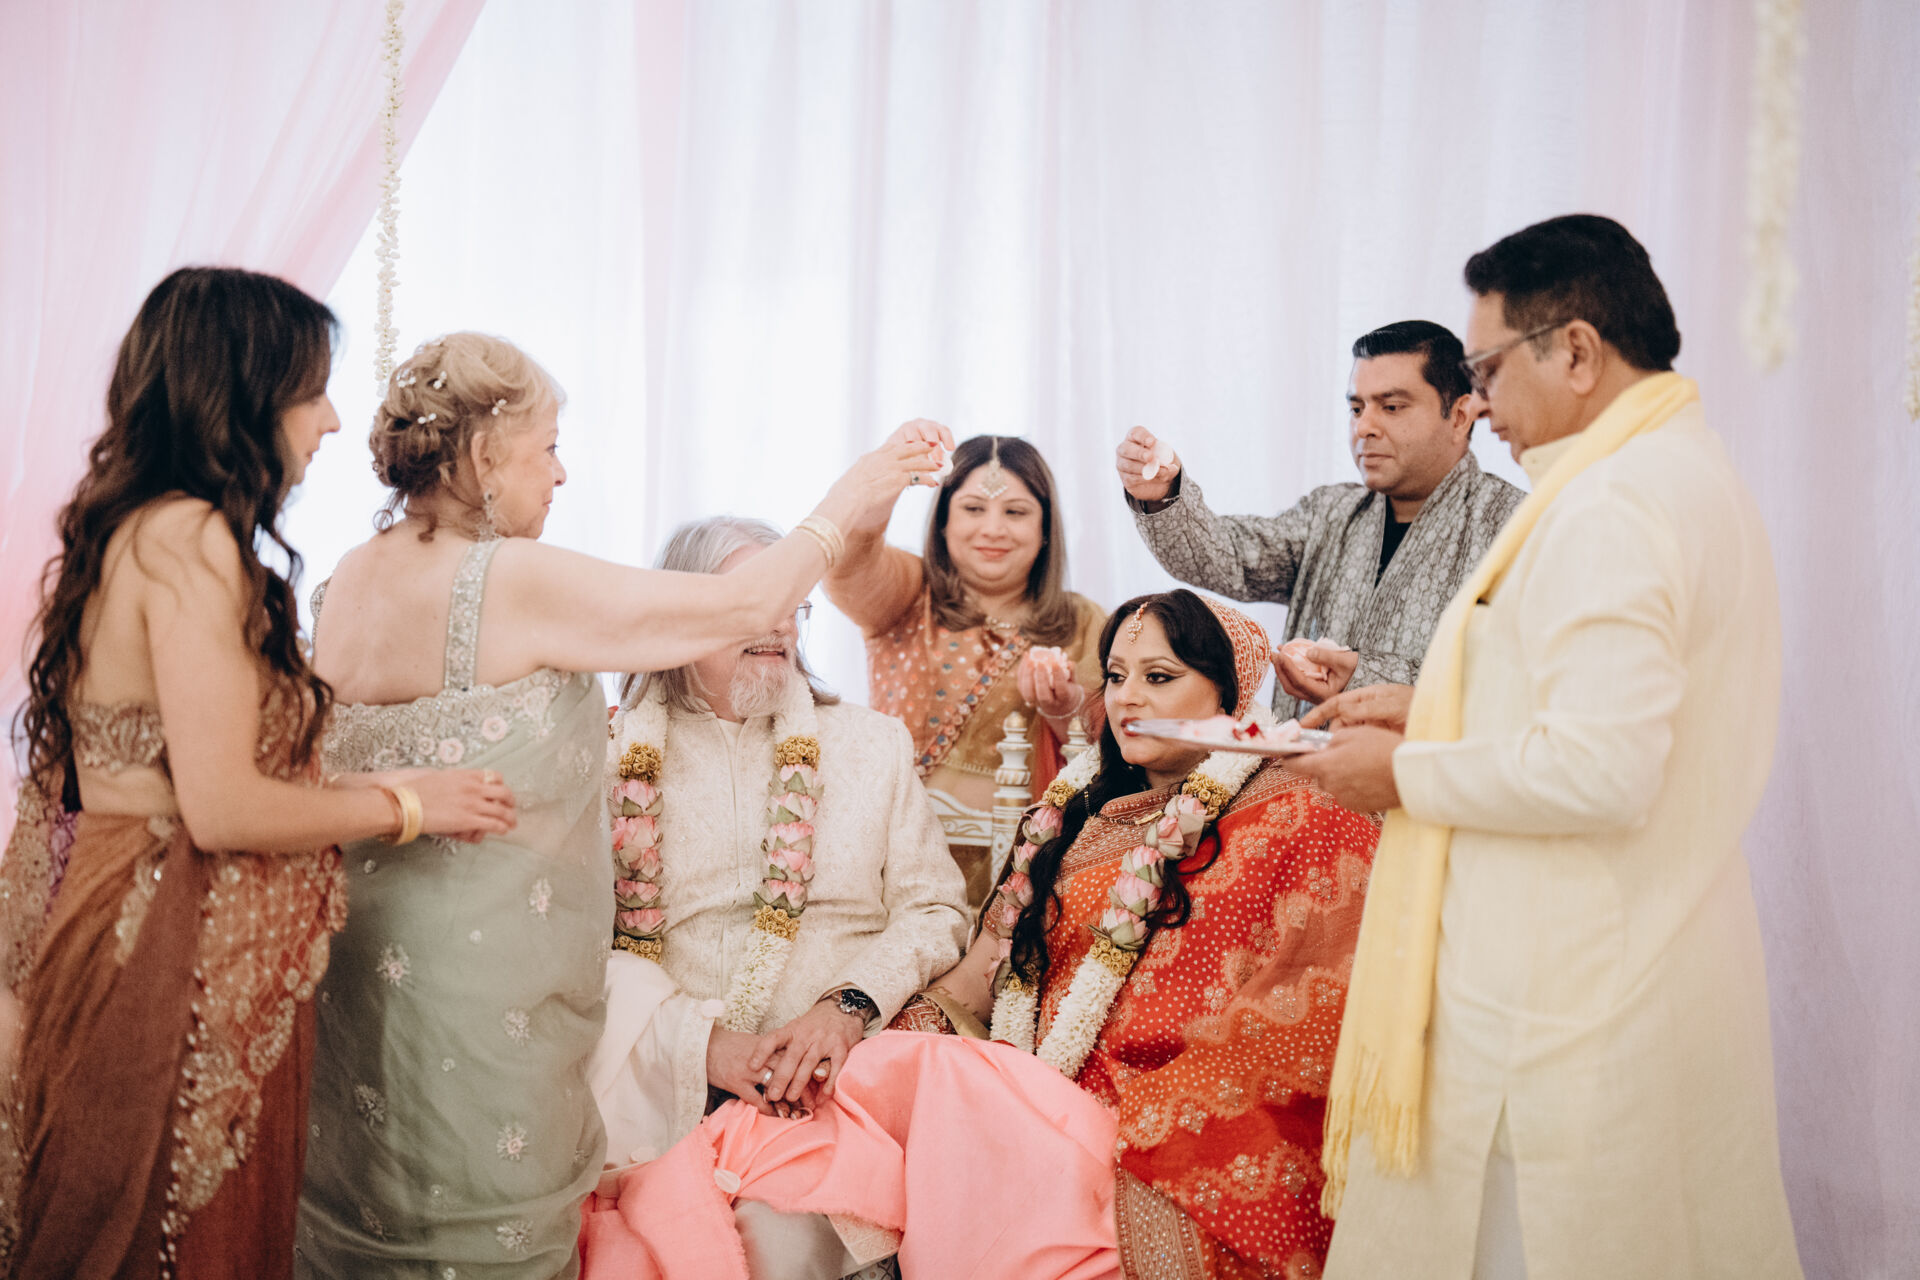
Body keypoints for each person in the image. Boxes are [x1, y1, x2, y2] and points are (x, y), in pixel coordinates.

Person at [296, 334, 935, 1278]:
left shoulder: (352, 576)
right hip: (482, 987)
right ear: (485, 456)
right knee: (481, 1233)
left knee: (379, 1221)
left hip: (362, 962)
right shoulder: (506, 574)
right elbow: (743, 604)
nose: (561, 473)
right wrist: (864, 487)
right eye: (548, 447)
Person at [579, 590, 1383, 1280]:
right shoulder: (1075, 819)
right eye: (1116, 677)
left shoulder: (1303, 810)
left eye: (1160, 677)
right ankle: (694, 1211)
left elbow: (1315, 1012)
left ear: (1232, 694)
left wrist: (1140, 1109)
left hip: (1162, 1117)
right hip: (1032, 1088)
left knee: (891, 1098)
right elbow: (982, 972)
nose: (1129, 698)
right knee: (840, 1110)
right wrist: (858, 1031)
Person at [1294, 215, 1802, 1279]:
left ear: (1575, 351)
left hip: (1566, 995)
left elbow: (1602, 770)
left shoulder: (1614, 501)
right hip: (1638, 953)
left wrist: (1403, 773)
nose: (1481, 406)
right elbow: (1600, 712)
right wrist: (1437, 707)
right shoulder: (1678, 469)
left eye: (1485, 371)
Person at [0, 268, 514, 1280]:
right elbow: (221, 804)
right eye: (310, 391)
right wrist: (406, 805)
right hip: (166, 942)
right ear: (242, 393)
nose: (331, 421)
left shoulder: (138, 530)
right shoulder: (188, 538)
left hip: (135, 913)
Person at [591, 516, 969, 1279]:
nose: (775, 623)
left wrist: (846, 1006)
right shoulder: (607, 758)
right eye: (750, 599)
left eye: (790, 600)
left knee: (775, 1245)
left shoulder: (872, 744)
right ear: (679, 612)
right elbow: (576, 950)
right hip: (666, 1092)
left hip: (837, 1088)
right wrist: (702, 1048)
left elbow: (936, 911)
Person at [1116, 321, 1524, 719]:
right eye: (1356, 408)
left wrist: (1361, 676)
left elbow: (1512, 689)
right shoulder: (1330, 513)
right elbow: (1225, 558)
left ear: (1460, 415)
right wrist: (1163, 494)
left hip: (1422, 767)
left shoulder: (1516, 526)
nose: (1364, 427)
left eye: (1392, 407)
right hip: (1297, 764)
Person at [827, 428, 1107, 910]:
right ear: (943, 522)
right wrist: (882, 488)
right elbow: (846, 565)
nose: (993, 529)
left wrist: (1064, 708)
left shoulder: (1081, 622)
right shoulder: (910, 594)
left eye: (1015, 512)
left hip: (1028, 876)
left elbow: (1118, 747)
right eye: (974, 508)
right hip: (898, 868)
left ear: (1045, 528)